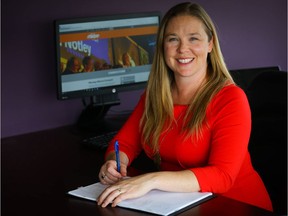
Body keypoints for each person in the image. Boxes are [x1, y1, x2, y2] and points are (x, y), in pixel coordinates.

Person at [97, 2, 273, 212]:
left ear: (210, 44)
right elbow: (124, 142)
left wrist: (150, 180)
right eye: (173, 39)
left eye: (193, 38)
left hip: (236, 205)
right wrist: (113, 163)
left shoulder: (230, 98)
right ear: (163, 46)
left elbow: (222, 176)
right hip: (181, 205)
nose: (182, 49)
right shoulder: (155, 96)